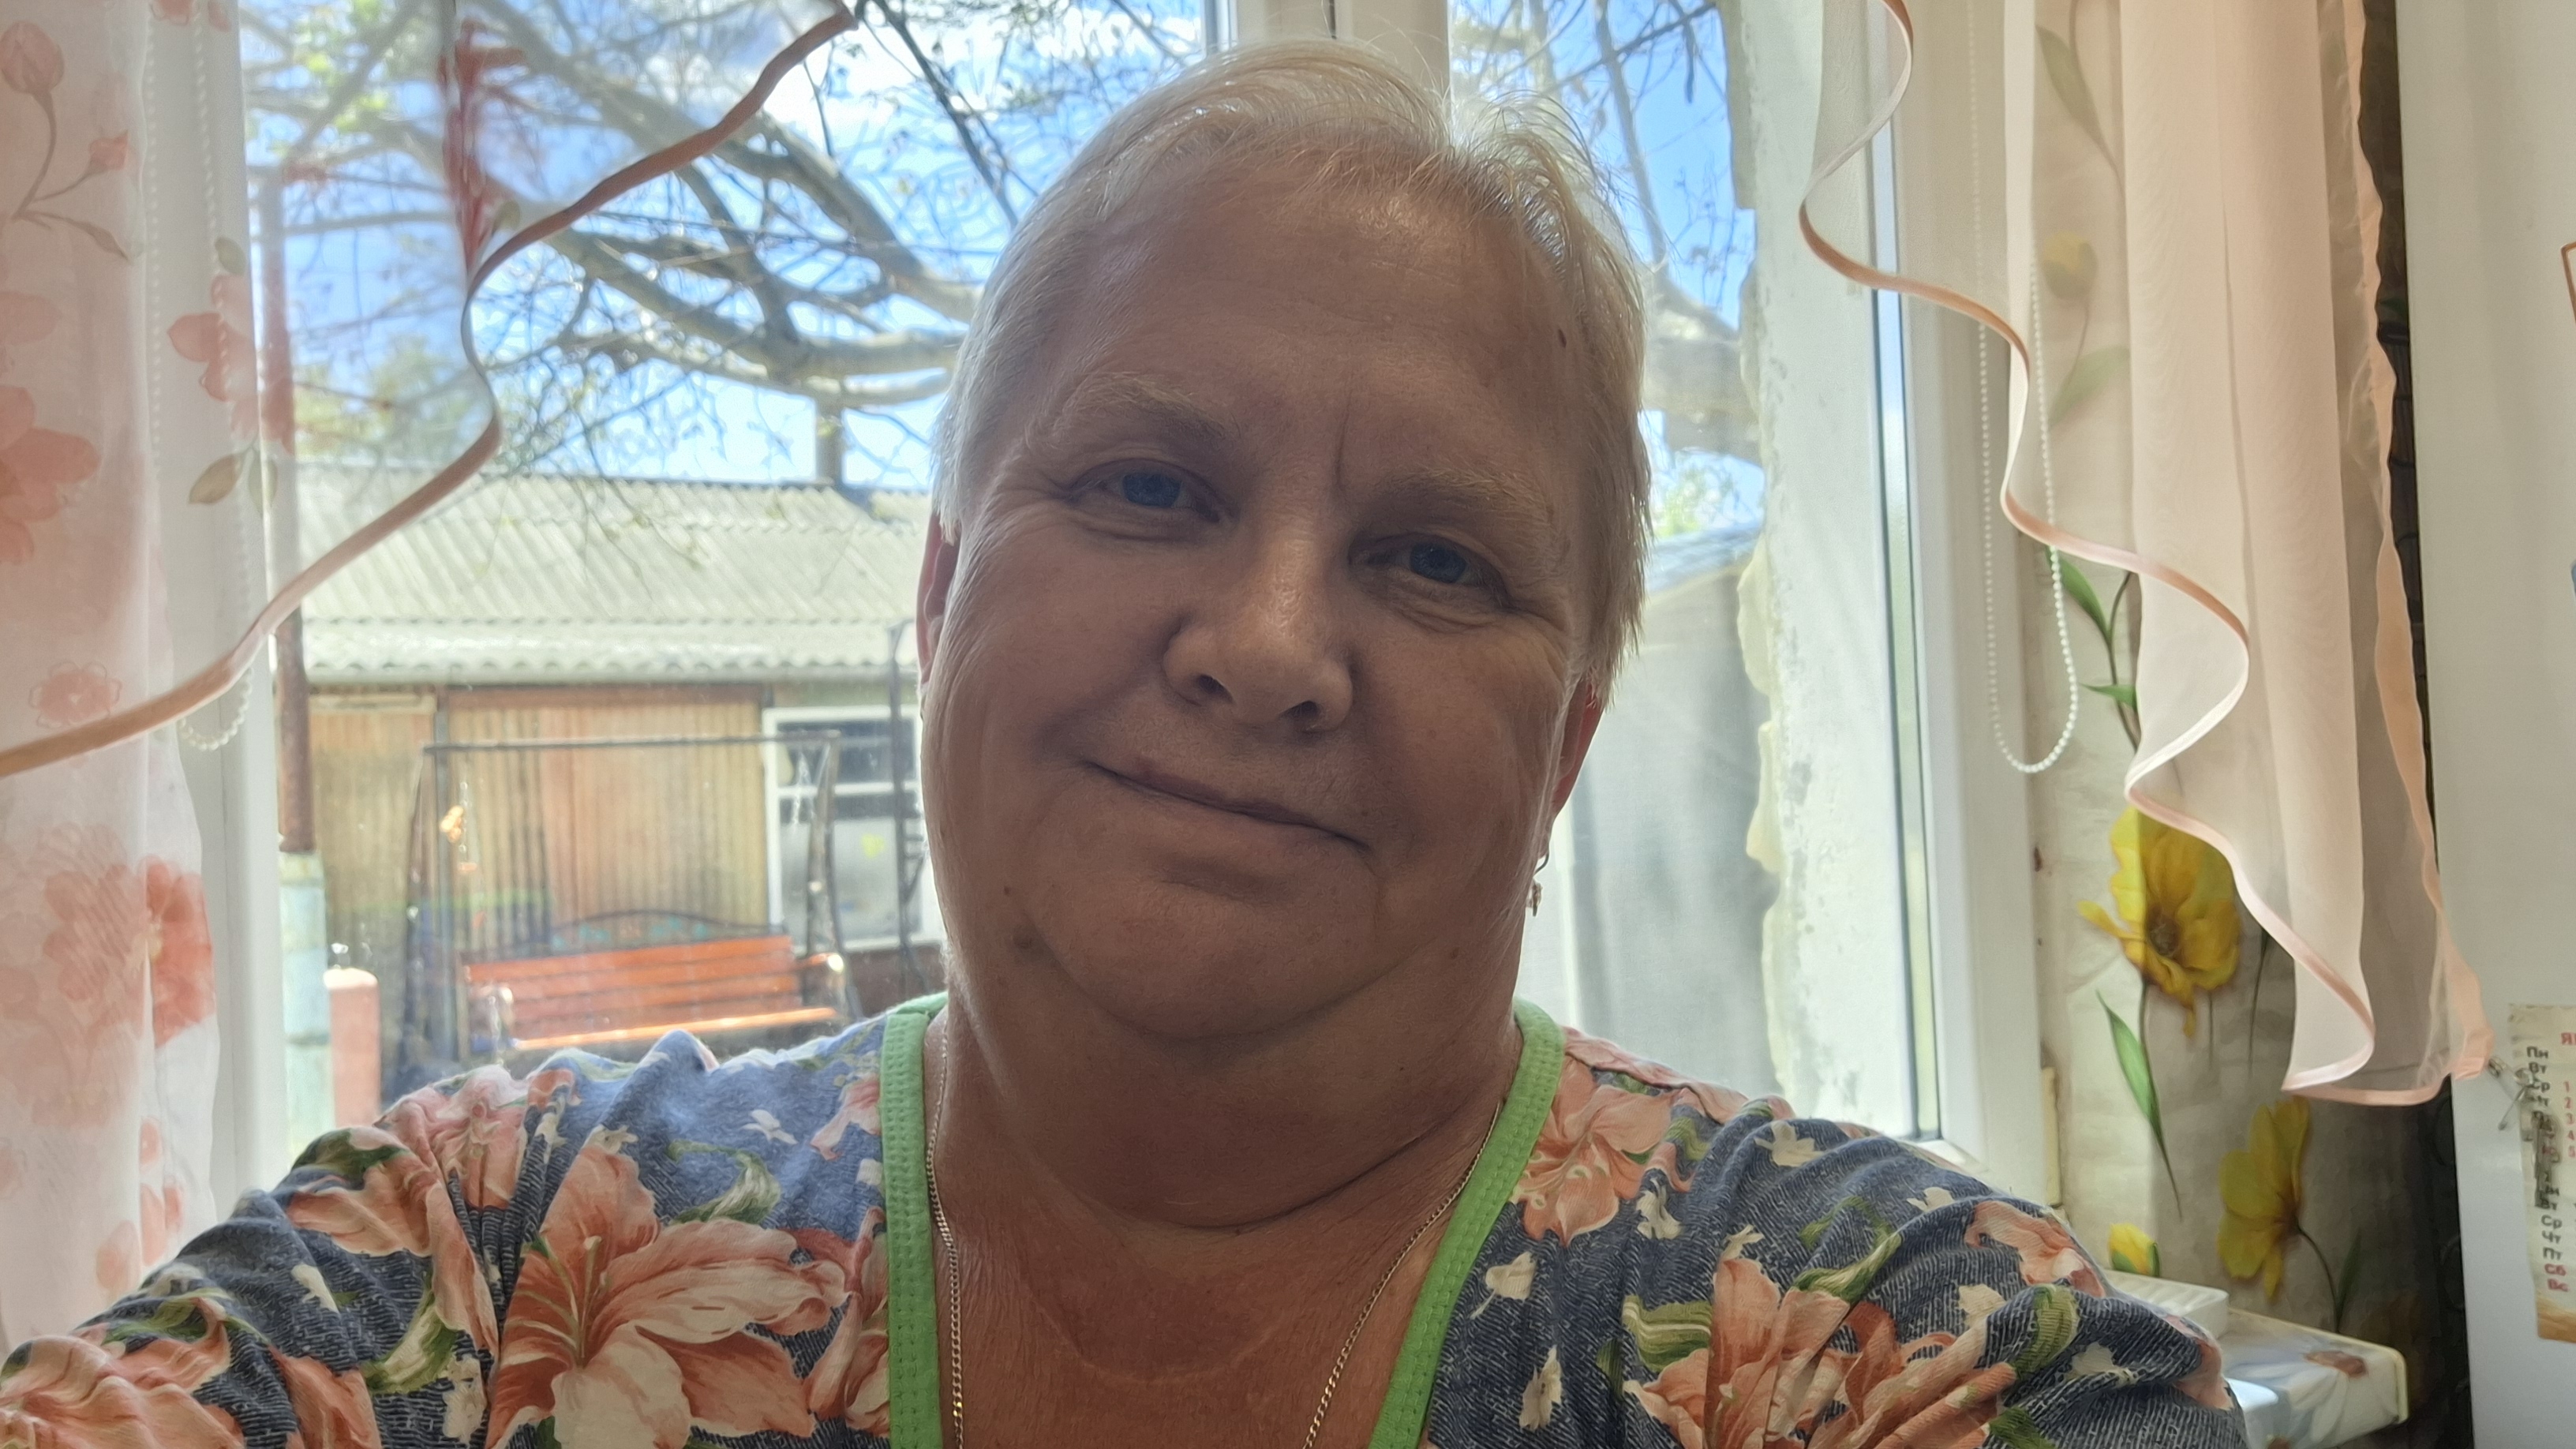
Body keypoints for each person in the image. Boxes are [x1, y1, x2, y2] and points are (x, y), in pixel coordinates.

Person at [0, 43, 2238, 1449]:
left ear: (1564, 746)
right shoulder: (476, 1257)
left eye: (1435, 556)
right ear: (940, 596)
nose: (1268, 648)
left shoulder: (1901, 1346)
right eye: (1151, 484)